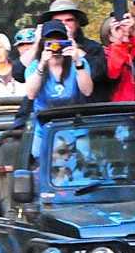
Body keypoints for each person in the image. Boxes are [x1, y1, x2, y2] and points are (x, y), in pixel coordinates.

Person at [24, 19, 92, 154]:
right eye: (50, 41)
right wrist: (42, 64)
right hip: (45, 128)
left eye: (60, 41)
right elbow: (31, 94)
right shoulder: (34, 67)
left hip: (76, 126)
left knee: (83, 163)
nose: (55, 46)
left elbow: (87, 91)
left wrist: (77, 61)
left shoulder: (79, 63)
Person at [21, 0, 108, 100]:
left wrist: (76, 51)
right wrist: (38, 43)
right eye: (58, 21)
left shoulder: (93, 47)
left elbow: (97, 74)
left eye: (69, 20)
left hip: (83, 108)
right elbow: (19, 73)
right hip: (44, 110)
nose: (64, 25)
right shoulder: (38, 55)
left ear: (77, 23)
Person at [101, 16, 135, 103]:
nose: (125, 31)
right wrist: (118, 43)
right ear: (109, 36)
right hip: (119, 107)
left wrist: (134, 31)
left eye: (126, 27)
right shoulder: (104, 54)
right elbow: (113, 74)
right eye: (118, 28)